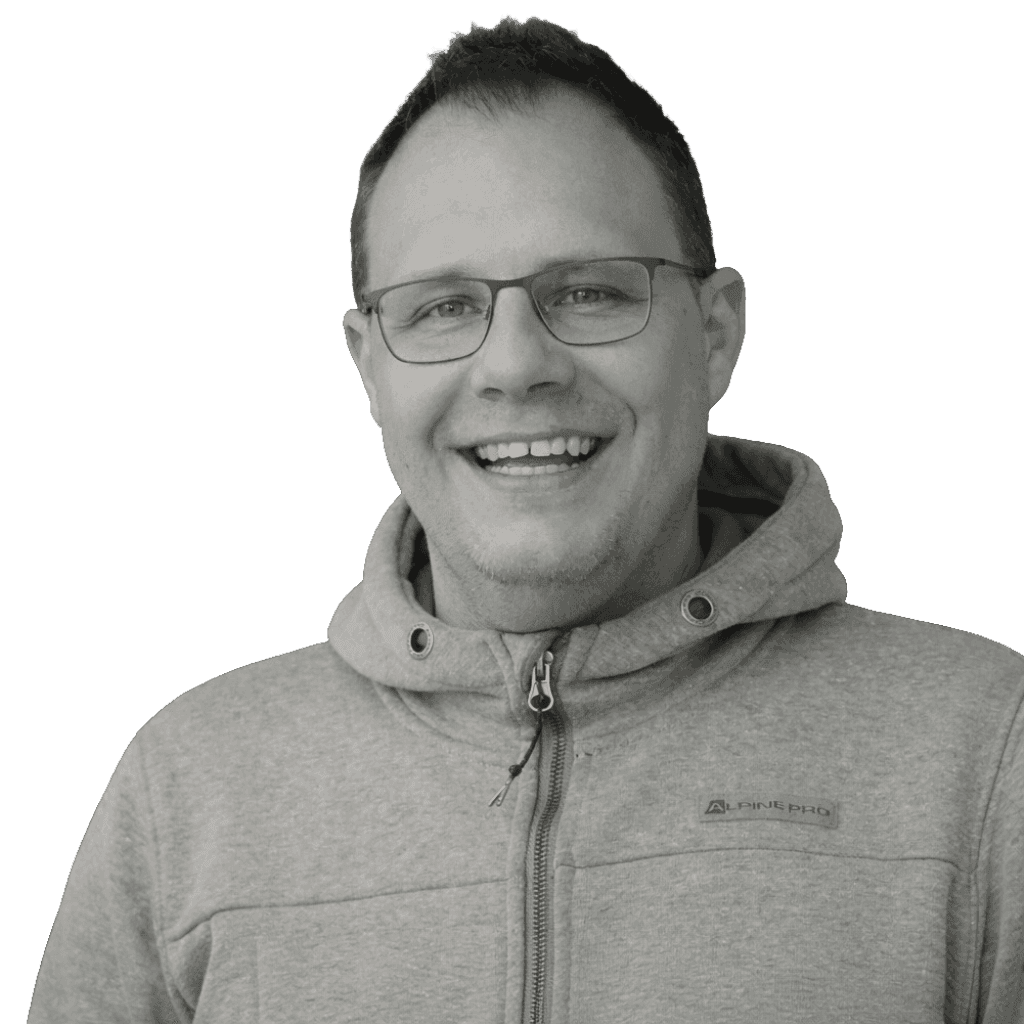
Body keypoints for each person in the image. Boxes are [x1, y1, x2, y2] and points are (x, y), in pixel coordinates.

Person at [28, 15, 1023, 1023]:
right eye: (442, 307)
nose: (514, 365)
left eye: (588, 292)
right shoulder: (184, 788)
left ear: (715, 334)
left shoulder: (987, 756)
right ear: (369, 367)